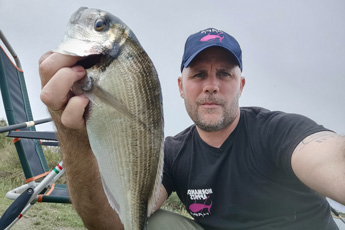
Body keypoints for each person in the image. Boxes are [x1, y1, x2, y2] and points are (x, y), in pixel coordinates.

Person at [39, 28, 345, 230]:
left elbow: (331, 158)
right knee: (154, 224)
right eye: (198, 74)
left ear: (240, 86)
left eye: (224, 73)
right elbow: (110, 224)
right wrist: (75, 137)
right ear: (181, 87)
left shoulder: (279, 130)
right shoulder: (172, 154)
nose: (211, 86)